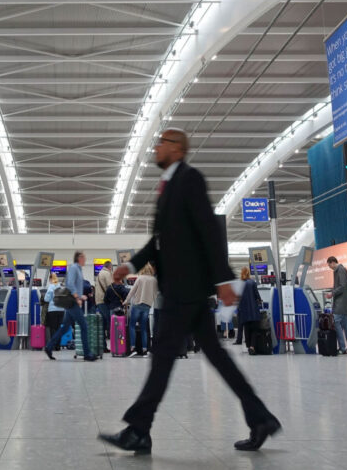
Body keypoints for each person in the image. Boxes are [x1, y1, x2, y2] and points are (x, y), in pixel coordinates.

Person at [99, 128, 280, 454]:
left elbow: (209, 230)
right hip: (186, 291)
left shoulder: (189, 179)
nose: (156, 148)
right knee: (215, 358)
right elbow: (159, 243)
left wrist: (224, 281)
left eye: (162, 143)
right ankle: (260, 417)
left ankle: (139, 430)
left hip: (186, 290)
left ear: (177, 149)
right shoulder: (167, 185)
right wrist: (131, 264)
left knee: (163, 358)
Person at [43, 251, 97, 361]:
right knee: (84, 326)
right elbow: (70, 284)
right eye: (84, 257)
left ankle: (49, 347)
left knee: (65, 327)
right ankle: (87, 353)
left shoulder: (79, 269)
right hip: (72, 302)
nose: (85, 260)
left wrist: (81, 296)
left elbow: (75, 286)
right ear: (79, 258)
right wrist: (77, 297)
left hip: (73, 301)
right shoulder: (73, 268)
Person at [124, 264, 156, 357]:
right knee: (144, 328)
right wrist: (151, 302)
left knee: (132, 326)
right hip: (147, 306)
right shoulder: (153, 280)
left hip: (137, 304)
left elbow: (132, 291)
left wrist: (126, 301)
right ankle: (145, 350)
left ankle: (133, 348)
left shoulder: (140, 278)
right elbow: (155, 293)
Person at [328, 256, 347, 355]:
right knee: (346, 326)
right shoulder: (338, 271)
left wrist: (332, 293)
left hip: (341, 303)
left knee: (337, 323)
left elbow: (343, 286)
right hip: (341, 303)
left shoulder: (341, 270)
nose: (330, 268)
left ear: (332, 262)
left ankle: (342, 348)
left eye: (329, 265)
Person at [236, 267, 263, 355]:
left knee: (247, 330)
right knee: (255, 330)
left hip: (244, 312)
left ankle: (248, 346)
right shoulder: (252, 283)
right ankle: (252, 347)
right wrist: (259, 300)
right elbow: (257, 297)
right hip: (254, 311)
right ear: (248, 273)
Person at [43, 272, 65, 351]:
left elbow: (46, 299)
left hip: (53, 310)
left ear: (50, 279)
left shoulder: (51, 287)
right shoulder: (61, 287)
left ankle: (53, 345)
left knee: (53, 328)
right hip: (61, 310)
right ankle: (58, 346)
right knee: (59, 328)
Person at [95, 260, 113, 338]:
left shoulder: (99, 274)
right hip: (104, 301)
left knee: (103, 323)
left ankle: (103, 345)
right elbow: (110, 287)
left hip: (99, 301)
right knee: (110, 321)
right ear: (110, 267)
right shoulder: (107, 274)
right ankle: (113, 342)